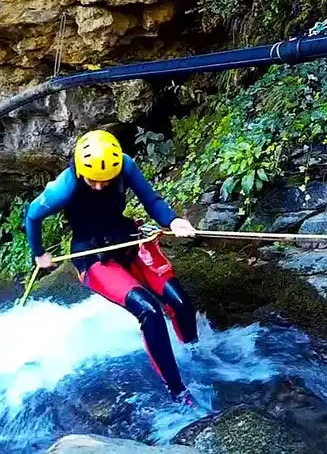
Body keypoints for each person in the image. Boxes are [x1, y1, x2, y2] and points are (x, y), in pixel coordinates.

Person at [24, 129, 200, 402]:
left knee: (180, 302)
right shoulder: (65, 187)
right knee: (149, 311)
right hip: (91, 254)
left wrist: (174, 221)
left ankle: (195, 353)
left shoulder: (125, 166)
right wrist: (38, 253)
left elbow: (151, 200)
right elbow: (33, 216)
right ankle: (178, 391)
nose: (98, 186)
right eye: (93, 180)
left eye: (105, 181)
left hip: (125, 238)